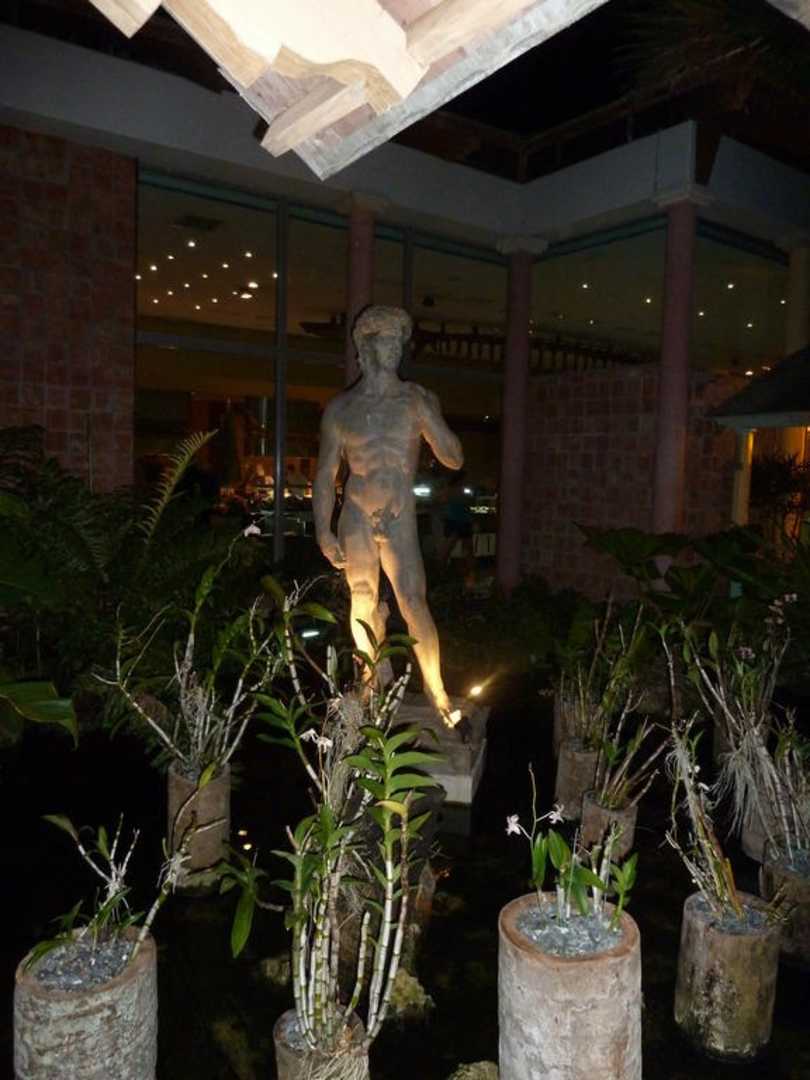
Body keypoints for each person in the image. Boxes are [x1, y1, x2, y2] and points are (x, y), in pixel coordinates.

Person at [313, 305, 467, 735]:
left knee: (413, 601)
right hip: (356, 512)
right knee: (362, 598)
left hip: (398, 514)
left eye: (400, 341)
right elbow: (325, 474)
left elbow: (454, 459)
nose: (395, 348)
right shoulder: (341, 409)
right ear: (366, 346)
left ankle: (437, 692)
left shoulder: (416, 400)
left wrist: (429, 414)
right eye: (387, 340)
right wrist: (323, 529)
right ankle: (370, 683)